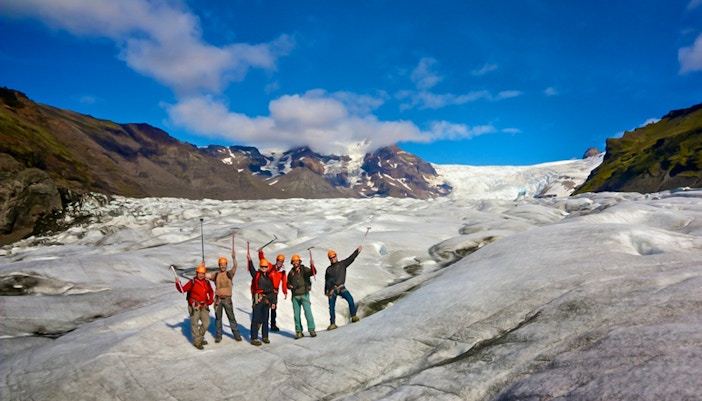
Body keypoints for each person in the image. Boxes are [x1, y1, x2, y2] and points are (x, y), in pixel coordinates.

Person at [175, 264, 214, 350]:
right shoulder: (192, 282)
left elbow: (211, 292)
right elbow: (182, 290)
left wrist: (210, 300)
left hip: (204, 305)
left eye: (202, 273)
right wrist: (178, 283)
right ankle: (197, 341)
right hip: (194, 306)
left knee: (206, 323)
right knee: (194, 324)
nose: (201, 275)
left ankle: (199, 337)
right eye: (199, 273)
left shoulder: (207, 282)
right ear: (196, 273)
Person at [324, 246, 362, 330]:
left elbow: (351, 258)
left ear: (336, 256)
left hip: (341, 287)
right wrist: (326, 291)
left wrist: (357, 251)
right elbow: (327, 281)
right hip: (332, 290)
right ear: (329, 259)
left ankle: (353, 316)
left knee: (350, 300)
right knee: (331, 307)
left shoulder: (342, 264)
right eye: (331, 258)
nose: (333, 259)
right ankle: (332, 323)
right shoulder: (328, 269)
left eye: (333, 257)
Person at [206, 256, 242, 343]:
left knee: (231, 317)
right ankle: (218, 336)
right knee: (218, 318)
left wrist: (234, 258)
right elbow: (205, 275)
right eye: (221, 264)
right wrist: (203, 267)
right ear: (219, 265)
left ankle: (236, 335)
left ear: (226, 265)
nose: (223, 266)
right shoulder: (216, 275)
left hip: (227, 299)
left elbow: (235, 267)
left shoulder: (229, 274)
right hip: (218, 299)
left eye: (224, 264)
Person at [248, 248, 275, 346]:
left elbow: (271, 291)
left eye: (265, 267)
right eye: (262, 266)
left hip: (266, 300)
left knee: (265, 319)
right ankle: (254, 338)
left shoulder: (269, 278)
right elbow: (251, 269)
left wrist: (273, 302)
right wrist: (250, 260)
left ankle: (265, 336)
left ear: (267, 268)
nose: (264, 268)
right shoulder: (256, 275)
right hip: (258, 299)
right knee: (256, 318)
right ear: (260, 267)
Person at [286, 253, 317, 339]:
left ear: (299, 261)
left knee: (308, 312)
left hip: (304, 294)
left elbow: (312, 272)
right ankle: (298, 331)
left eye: (296, 261)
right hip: (295, 296)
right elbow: (287, 283)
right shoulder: (291, 273)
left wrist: (312, 265)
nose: (295, 263)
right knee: (296, 315)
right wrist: (289, 286)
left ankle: (311, 329)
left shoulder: (304, 270)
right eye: (294, 261)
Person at [257, 250, 288, 332]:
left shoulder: (282, 272)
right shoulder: (271, 267)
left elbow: (284, 282)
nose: (279, 263)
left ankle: (273, 325)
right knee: (265, 306)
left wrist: (285, 291)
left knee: (273, 308)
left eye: (281, 261)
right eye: (278, 261)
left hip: (275, 291)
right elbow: (263, 260)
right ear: (276, 260)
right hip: (267, 290)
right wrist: (260, 253)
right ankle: (260, 322)